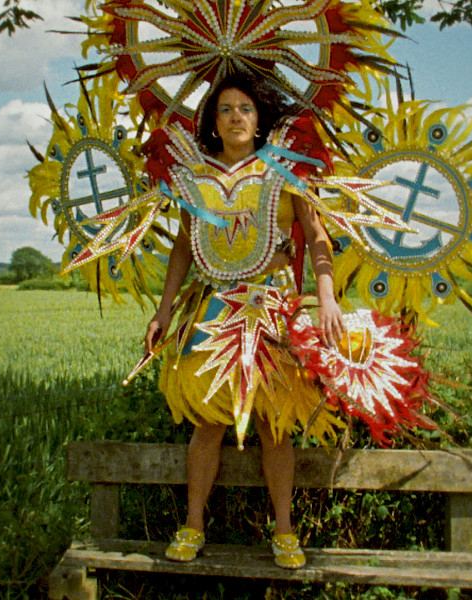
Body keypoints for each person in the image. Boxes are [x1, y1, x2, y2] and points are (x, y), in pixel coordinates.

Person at [142, 72, 348, 570]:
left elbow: (315, 232)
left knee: (275, 427)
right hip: (213, 312)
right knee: (207, 425)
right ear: (213, 121)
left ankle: (284, 530)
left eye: (246, 109)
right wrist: (164, 308)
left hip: (273, 309)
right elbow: (182, 247)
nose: (237, 117)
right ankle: (192, 524)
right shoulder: (196, 176)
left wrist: (326, 297)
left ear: (260, 121)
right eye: (226, 109)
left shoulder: (285, 170)